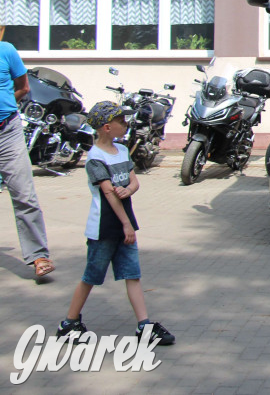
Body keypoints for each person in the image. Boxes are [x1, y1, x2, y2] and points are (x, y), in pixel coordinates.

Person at [56, 101, 174, 344]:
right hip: (104, 229)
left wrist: (129, 190)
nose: (126, 124)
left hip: (125, 227)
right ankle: (69, 324)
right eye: (122, 121)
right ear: (107, 127)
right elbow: (108, 193)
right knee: (91, 277)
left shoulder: (121, 151)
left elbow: (133, 182)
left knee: (132, 274)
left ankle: (144, 326)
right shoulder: (95, 158)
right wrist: (126, 224)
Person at [0, 39, 54, 278]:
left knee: (24, 194)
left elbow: (23, 87)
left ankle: (38, 256)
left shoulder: (6, 50)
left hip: (7, 131)